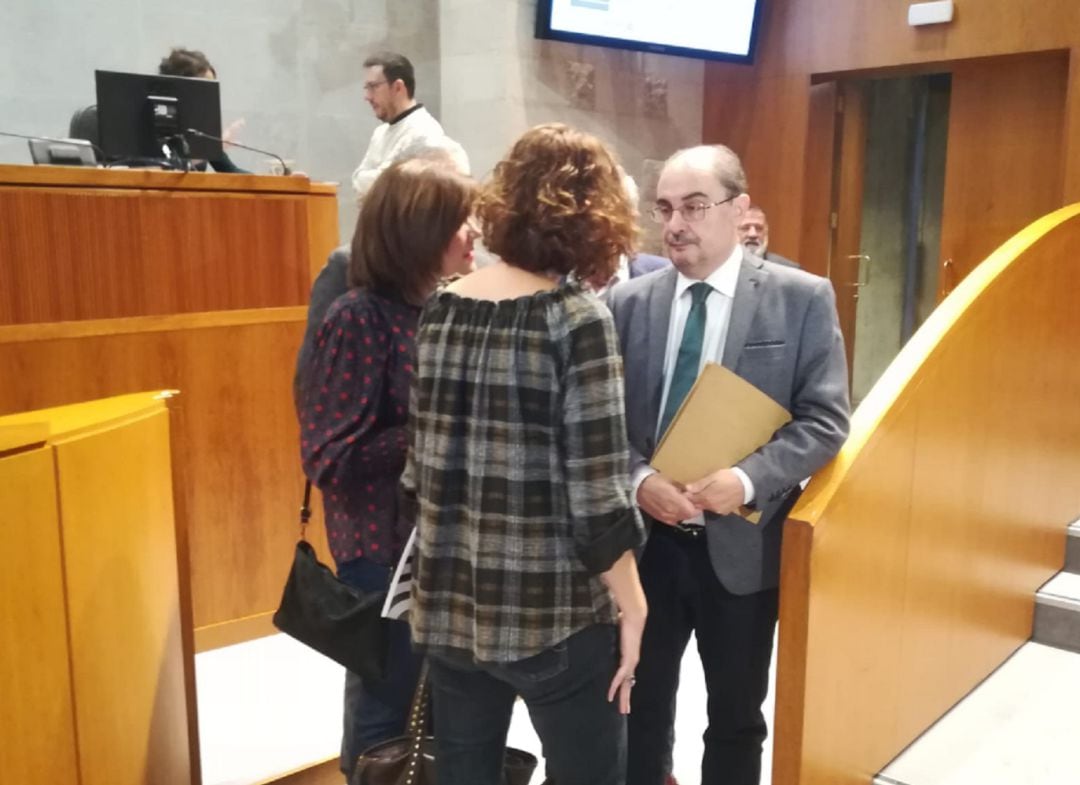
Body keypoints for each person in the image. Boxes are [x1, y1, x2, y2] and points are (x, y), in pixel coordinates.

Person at [401, 123, 649, 785]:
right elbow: (598, 501)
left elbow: (418, 472)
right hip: (555, 619)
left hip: (451, 612)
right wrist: (634, 605)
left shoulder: (442, 307)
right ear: (595, 219)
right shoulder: (576, 319)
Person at [606, 145, 850, 785]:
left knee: (737, 718)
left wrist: (744, 479)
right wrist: (639, 481)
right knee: (638, 704)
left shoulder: (800, 299)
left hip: (743, 547)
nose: (676, 224)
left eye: (694, 207)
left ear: (740, 210)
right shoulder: (628, 304)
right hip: (645, 547)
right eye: (664, 209)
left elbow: (825, 421)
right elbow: (601, 426)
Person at [295, 158, 478, 779]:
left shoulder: (437, 306)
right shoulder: (358, 317)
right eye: (461, 221)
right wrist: (433, 426)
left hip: (429, 544)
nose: (474, 232)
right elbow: (329, 456)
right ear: (421, 232)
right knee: (384, 706)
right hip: (379, 549)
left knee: (426, 704)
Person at [293, 142, 471, 404]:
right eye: (455, 213)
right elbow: (315, 384)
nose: (473, 229)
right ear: (419, 217)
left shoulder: (475, 269)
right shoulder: (349, 282)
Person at [351, 51, 469, 199]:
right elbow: (358, 181)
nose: (367, 97)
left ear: (398, 87)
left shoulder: (423, 131)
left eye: (373, 87)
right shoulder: (380, 133)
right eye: (366, 88)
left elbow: (386, 184)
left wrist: (372, 178)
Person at [736, 204, 799, 268]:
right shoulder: (725, 265)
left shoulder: (788, 269)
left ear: (766, 232)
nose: (753, 234)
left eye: (759, 228)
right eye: (745, 228)